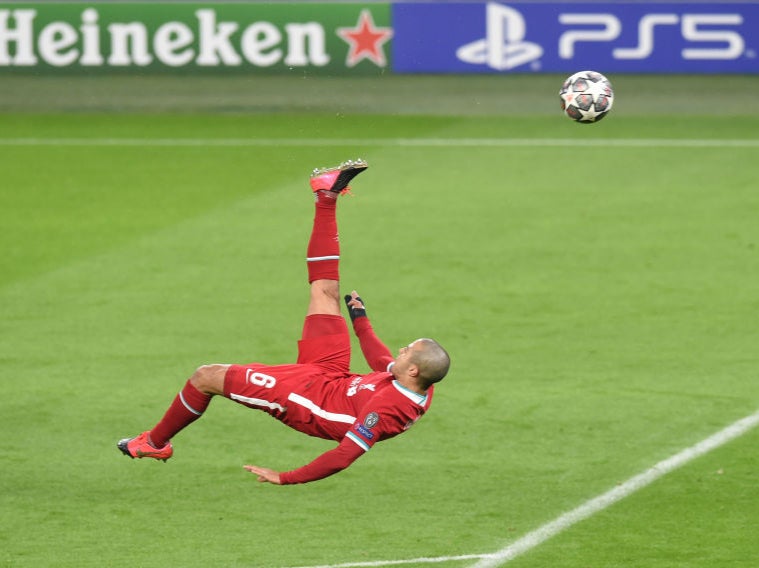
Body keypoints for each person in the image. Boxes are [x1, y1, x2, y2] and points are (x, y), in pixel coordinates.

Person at [117, 159, 450, 485]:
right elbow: (382, 361)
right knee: (326, 290)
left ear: (414, 370)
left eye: (408, 351)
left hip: (306, 400)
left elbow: (345, 453)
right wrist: (360, 320)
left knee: (206, 376)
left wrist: (287, 477)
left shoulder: (387, 409)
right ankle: (326, 196)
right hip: (331, 377)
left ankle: (154, 443)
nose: (401, 350)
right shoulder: (415, 381)